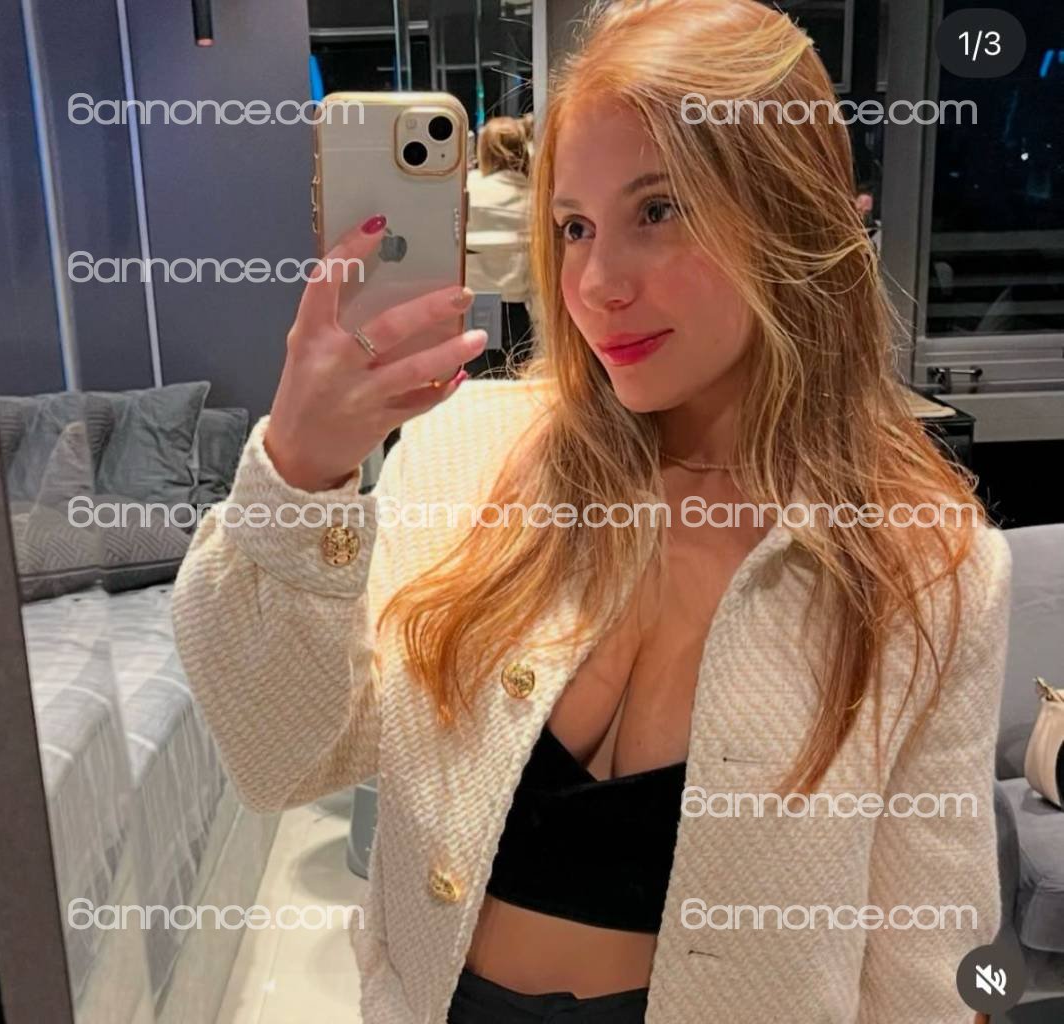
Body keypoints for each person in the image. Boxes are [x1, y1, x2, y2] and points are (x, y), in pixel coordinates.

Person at [171, 1, 1010, 1022]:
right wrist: (299, 473)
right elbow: (281, 754)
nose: (598, 284)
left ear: (790, 214)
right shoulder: (468, 456)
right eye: (574, 227)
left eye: (659, 210)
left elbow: (925, 950)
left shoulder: (923, 561)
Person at [465, 116, 533, 375]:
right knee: (517, 380)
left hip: (477, 303)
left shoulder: (468, 189)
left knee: (477, 381)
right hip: (517, 308)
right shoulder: (535, 196)